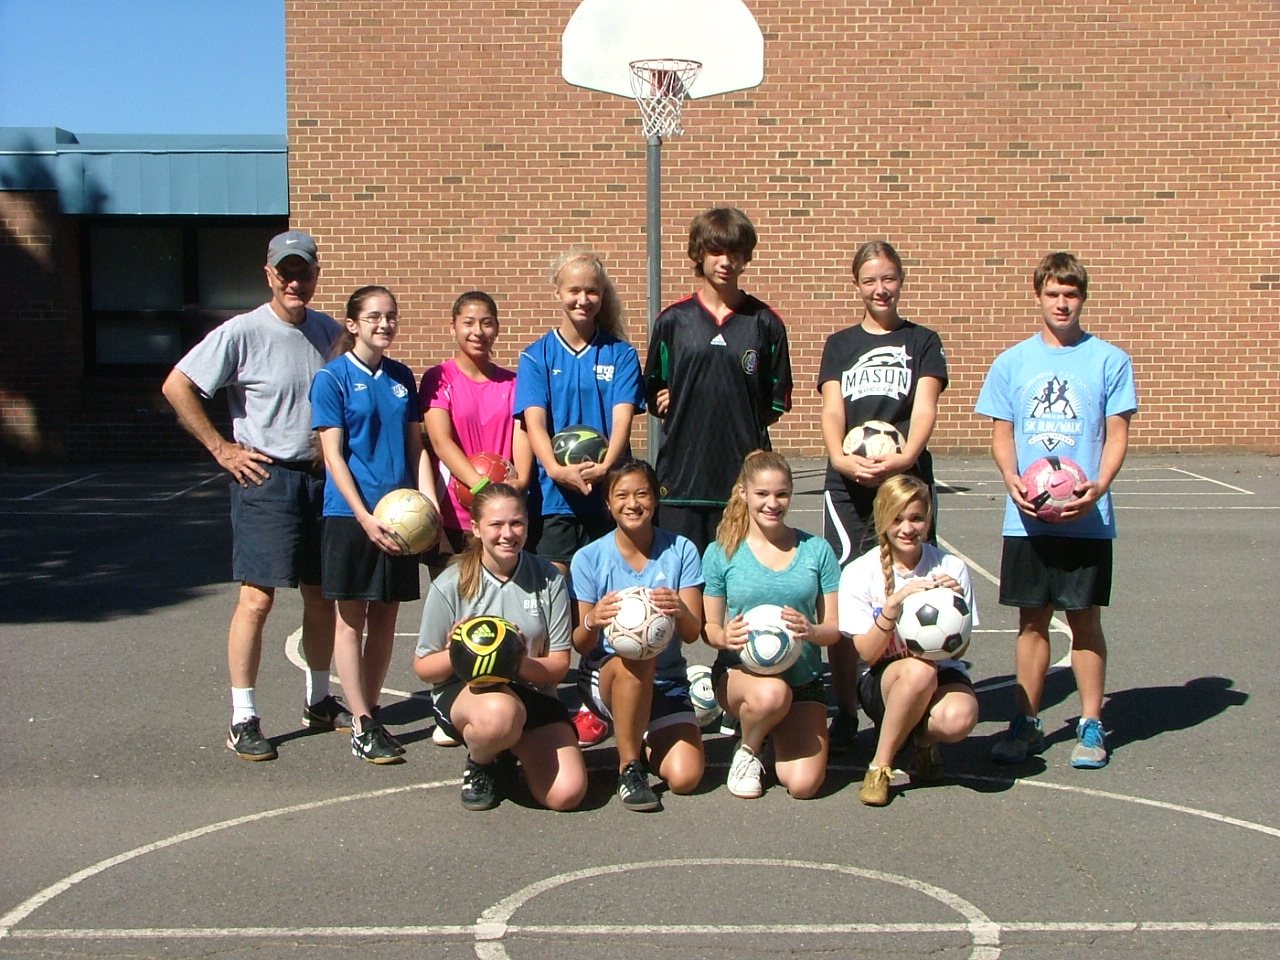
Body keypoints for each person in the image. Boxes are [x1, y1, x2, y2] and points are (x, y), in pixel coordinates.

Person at [162, 230, 347, 761]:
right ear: (268, 274)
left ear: (315, 274)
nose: (295, 281)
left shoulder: (330, 332)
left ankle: (318, 699)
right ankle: (243, 716)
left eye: (304, 271)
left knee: (320, 596)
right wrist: (221, 448)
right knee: (257, 600)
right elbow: (178, 385)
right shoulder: (241, 332)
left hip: (322, 479)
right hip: (266, 478)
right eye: (285, 271)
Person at [975, 252, 1137, 769]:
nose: (1062, 303)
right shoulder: (1013, 362)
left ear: (1082, 298)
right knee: (1031, 621)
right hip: (1028, 517)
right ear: (1038, 296)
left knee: (1083, 619)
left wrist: (1100, 485)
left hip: (1085, 518)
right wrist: (1010, 479)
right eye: (1053, 294)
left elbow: (1116, 433)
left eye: (1071, 294)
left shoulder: (1109, 360)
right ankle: (1025, 721)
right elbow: (1002, 432)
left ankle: (1091, 724)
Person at [817, 240, 949, 754]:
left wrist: (906, 456)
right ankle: (848, 709)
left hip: (902, 483)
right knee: (848, 596)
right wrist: (841, 457)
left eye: (889, 278)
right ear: (857, 286)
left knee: (917, 592)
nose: (880, 288)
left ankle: (911, 711)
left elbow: (924, 406)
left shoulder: (923, 341)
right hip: (847, 487)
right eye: (870, 280)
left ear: (901, 281)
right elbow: (832, 410)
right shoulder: (840, 344)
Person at [515, 250, 645, 748]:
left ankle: (596, 702)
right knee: (555, 605)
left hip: (607, 496)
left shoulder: (620, 354)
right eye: (574, 290)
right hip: (555, 499)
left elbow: (621, 420)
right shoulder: (536, 356)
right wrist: (553, 469)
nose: (583, 298)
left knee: (605, 604)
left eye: (592, 290)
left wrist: (609, 463)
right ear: (557, 294)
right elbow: (535, 422)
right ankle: (549, 699)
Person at [310, 285, 432, 763]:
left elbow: (415, 448)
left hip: (401, 516)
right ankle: (360, 722)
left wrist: (428, 503)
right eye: (374, 316)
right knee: (350, 620)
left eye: (391, 316)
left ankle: (372, 709)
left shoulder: (402, 377)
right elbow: (333, 455)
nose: (385, 324)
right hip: (351, 518)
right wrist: (362, 515)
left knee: (386, 617)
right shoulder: (333, 379)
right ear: (353, 323)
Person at [413, 483, 587, 811]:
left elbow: (559, 665)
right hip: (471, 697)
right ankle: (483, 760)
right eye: (496, 525)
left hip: (531, 689)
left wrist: (513, 660)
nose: (507, 534)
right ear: (476, 528)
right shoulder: (451, 583)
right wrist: (458, 653)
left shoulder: (549, 579)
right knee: (499, 714)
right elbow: (423, 668)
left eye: (517, 523)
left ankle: (509, 746)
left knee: (567, 794)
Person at [644, 207, 792, 554]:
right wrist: (662, 398)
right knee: (683, 582)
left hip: (742, 478)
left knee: (737, 580)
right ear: (699, 254)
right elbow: (652, 387)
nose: (726, 261)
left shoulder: (765, 322)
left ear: (745, 258)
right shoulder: (673, 321)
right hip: (683, 476)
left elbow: (774, 402)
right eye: (716, 251)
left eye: (735, 253)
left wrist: (736, 413)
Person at [703, 451, 842, 800]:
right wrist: (724, 636)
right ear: (743, 494)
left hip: (803, 679)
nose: (772, 503)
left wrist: (810, 631)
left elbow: (834, 629)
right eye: (762, 494)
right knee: (771, 695)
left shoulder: (817, 551)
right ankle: (749, 748)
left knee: (803, 785)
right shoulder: (723, 551)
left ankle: (770, 727)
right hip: (742, 677)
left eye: (781, 494)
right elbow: (709, 627)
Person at [570, 460, 706, 811]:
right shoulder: (589, 558)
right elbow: (581, 644)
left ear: (656, 499)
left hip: (668, 680)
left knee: (685, 778)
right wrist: (593, 620)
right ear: (609, 503)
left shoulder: (682, 550)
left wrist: (680, 608)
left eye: (642, 493)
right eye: (622, 496)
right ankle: (629, 767)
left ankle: (643, 734)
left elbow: (692, 634)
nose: (633, 504)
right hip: (608, 677)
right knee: (638, 661)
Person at [839, 476, 979, 806]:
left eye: (916, 518)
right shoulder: (861, 571)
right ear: (882, 519)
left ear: (928, 519)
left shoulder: (951, 568)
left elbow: (961, 649)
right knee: (919, 671)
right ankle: (880, 765)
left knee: (960, 717)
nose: (907, 528)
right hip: (885, 680)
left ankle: (922, 742)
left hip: (941, 673)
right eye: (897, 518)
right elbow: (867, 653)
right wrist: (892, 607)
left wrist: (954, 607)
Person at [420, 290, 532, 570]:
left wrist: (521, 482)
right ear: (453, 327)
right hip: (455, 514)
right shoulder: (439, 378)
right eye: (468, 323)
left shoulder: (514, 383)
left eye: (487, 323)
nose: (478, 331)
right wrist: (481, 487)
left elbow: (523, 433)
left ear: (497, 328)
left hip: (502, 515)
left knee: (500, 603)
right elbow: (440, 441)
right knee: (455, 604)